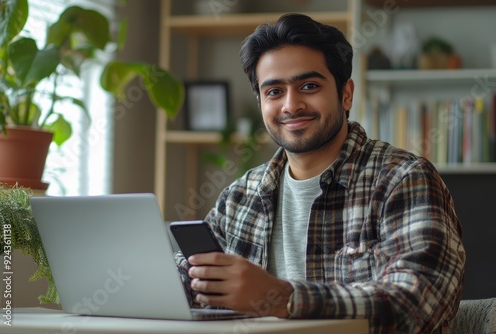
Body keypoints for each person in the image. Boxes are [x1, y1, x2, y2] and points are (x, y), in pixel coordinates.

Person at [174, 13, 466, 333]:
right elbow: (192, 283)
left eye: (309, 86)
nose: (291, 105)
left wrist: (281, 299)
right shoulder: (241, 196)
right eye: (274, 92)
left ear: (346, 94)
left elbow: (418, 303)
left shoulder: (404, 179)